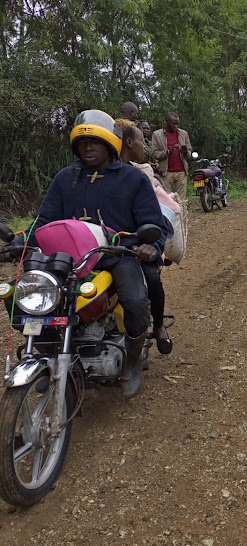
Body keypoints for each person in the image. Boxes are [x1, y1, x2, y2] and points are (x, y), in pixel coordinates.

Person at [1, 110, 167, 398]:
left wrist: (151, 246)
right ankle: (53, 358)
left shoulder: (133, 179)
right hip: (67, 256)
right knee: (21, 299)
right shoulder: (65, 178)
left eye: (95, 142)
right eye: (83, 143)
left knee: (136, 301)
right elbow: (44, 220)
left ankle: (131, 362)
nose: (88, 147)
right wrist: (19, 243)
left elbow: (154, 223)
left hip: (116, 254)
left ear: (111, 144)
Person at [120, 124, 179, 354]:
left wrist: (152, 244)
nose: (143, 145)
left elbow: (154, 214)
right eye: (141, 141)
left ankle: (159, 325)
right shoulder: (80, 176)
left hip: (135, 241)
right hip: (99, 245)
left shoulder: (139, 174)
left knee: (151, 275)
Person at [151, 112, 192, 197]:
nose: (176, 126)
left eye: (177, 124)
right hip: (166, 173)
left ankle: (182, 211)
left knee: (182, 201)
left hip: (181, 172)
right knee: (168, 200)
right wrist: (168, 152)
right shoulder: (157, 135)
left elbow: (189, 152)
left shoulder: (183, 134)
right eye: (173, 124)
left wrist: (185, 152)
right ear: (167, 122)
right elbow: (154, 154)